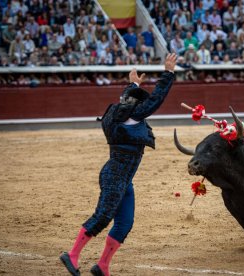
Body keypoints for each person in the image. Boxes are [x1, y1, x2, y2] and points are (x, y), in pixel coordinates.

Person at [59, 53, 178, 276]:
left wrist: (133, 84)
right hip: (116, 175)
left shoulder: (119, 112)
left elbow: (128, 97)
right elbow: (156, 100)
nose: (143, 105)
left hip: (123, 177)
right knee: (103, 215)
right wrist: (168, 73)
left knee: (124, 223)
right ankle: (72, 255)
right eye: (139, 100)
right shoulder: (132, 115)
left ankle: (103, 265)